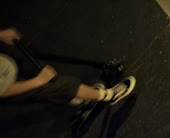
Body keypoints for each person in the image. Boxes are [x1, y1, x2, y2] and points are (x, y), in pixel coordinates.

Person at [0, 27, 135, 105]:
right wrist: (38, 81)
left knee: (38, 77)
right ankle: (108, 95)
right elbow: (3, 91)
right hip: (4, 86)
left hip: (4, 67)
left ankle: (78, 98)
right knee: (63, 84)